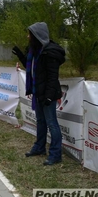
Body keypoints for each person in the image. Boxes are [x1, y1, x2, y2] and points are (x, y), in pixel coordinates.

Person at [12, 22, 65, 166]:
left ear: (37, 36)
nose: (27, 36)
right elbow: (34, 69)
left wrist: (48, 96)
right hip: (38, 92)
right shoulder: (35, 51)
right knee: (41, 122)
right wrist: (21, 55)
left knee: (52, 124)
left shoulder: (50, 53)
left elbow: (52, 77)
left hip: (48, 94)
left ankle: (55, 154)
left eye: (30, 34)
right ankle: (39, 147)